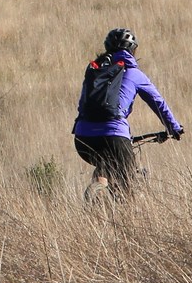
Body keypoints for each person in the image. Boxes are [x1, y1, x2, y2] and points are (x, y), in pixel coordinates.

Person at [73, 28, 184, 200]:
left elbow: (82, 104)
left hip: (82, 138)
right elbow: (158, 103)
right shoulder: (135, 74)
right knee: (127, 183)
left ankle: (97, 196)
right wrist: (173, 127)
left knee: (106, 164)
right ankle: (125, 212)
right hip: (114, 134)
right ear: (133, 50)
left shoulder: (95, 71)